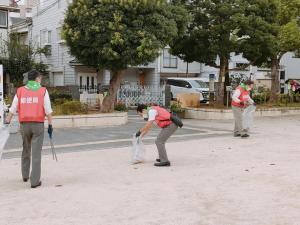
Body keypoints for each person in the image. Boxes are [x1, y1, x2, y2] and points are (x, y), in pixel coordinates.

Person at [6, 70, 53, 188]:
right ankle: (35, 181)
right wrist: (50, 125)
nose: (41, 80)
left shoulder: (20, 90)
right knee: (36, 153)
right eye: (40, 78)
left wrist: (7, 121)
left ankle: (25, 175)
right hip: (38, 124)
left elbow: (13, 108)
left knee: (26, 149)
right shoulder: (43, 91)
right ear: (37, 79)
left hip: (24, 125)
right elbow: (47, 109)